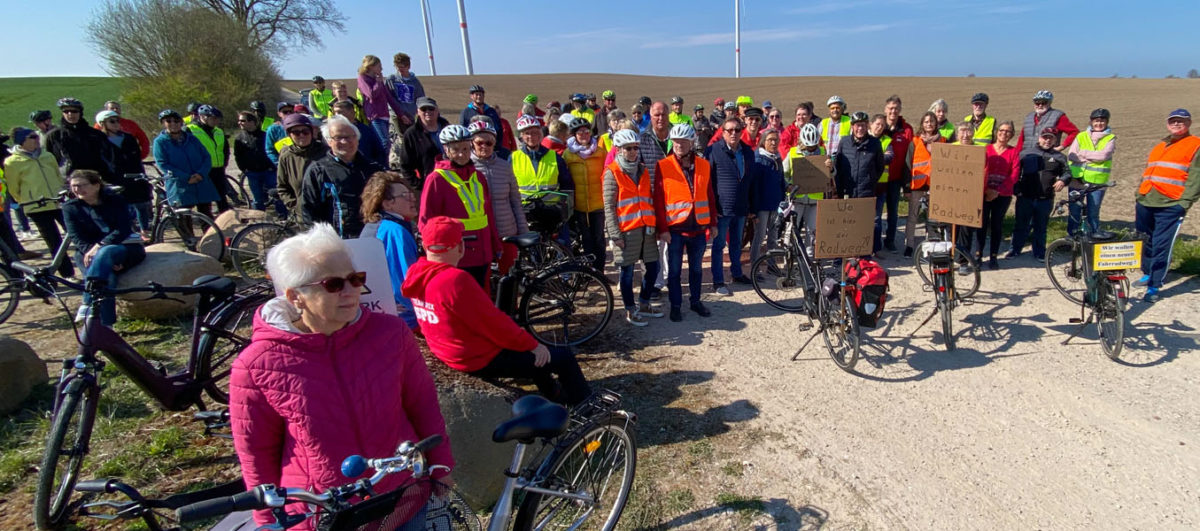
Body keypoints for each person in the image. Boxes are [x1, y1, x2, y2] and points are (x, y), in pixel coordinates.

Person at [232, 223, 453, 530]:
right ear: (295, 297)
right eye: (334, 284)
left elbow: (423, 404)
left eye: (354, 279)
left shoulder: (391, 333)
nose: (351, 291)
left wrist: (440, 466)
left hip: (403, 497)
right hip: (323, 512)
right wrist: (268, 520)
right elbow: (256, 452)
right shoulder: (257, 364)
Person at [402, 216, 593, 405]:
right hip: (476, 358)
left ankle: (556, 397)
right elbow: (494, 323)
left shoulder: (417, 273)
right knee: (562, 357)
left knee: (535, 359)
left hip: (449, 350)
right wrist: (532, 344)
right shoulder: (454, 280)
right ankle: (586, 408)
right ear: (459, 246)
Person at [419, 125, 501, 288]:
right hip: (457, 253)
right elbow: (427, 220)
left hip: (483, 250)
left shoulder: (478, 177)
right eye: (456, 150)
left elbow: (488, 214)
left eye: (465, 148)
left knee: (482, 297)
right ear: (446, 150)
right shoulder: (436, 179)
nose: (462, 154)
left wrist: (495, 243)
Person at [61, 170, 145, 324]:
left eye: (81, 185)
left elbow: (123, 229)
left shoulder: (116, 201)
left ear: (96, 185)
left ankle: (86, 302)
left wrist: (100, 246)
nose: (76, 189)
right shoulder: (70, 208)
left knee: (106, 251)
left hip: (123, 247)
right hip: (87, 253)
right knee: (107, 278)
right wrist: (91, 251)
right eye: (73, 186)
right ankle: (107, 326)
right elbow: (76, 237)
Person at [1134, 108, 1200, 303]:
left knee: (1163, 244)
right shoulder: (1161, 145)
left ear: (1188, 123)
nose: (1177, 124)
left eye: (1181, 121)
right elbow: (1149, 171)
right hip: (1146, 200)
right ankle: (1147, 273)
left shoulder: (1195, 145)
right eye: (1173, 121)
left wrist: (1184, 203)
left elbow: (1196, 177)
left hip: (1171, 204)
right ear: (1168, 123)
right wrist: (1138, 194)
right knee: (1145, 240)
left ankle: (1154, 285)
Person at [603, 129, 666, 326]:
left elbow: (648, 199)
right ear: (619, 150)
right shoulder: (612, 173)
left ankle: (644, 304)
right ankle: (630, 310)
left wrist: (654, 224)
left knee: (653, 268)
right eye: (628, 148)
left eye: (635, 148)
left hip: (646, 230)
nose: (632, 152)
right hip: (626, 232)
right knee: (627, 273)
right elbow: (609, 207)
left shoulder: (643, 170)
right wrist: (614, 234)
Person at [657, 124, 715, 321]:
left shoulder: (704, 165)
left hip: (698, 228)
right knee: (674, 271)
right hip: (675, 230)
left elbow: (710, 196)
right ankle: (675, 305)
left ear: (691, 142)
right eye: (676, 141)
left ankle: (696, 301)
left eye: (683, 141)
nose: (679, 145)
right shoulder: (663, 166)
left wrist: (713, 223)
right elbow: (658, 200)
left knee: (696, 269)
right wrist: (662, 229)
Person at [5, 127, 74, 277]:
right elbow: (13, 188)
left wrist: (60, 192)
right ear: (22, 141)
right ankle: (68, 274)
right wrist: (27, 200)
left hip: (58, 202)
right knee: (54, 241)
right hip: (36, 207)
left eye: (36, 136)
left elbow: (57, 176)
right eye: (32, 137)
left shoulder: (47, 155)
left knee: (75, 235)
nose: (37, 139)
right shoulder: (11, 162)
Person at [301, 115, 381, 238]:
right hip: (337, 241)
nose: (345, 142)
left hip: (372, 238)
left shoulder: (373, 168)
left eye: (350, 137)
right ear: (329, 141)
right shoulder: (318, 171)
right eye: (338, 137)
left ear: (357, 139)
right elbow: (309, 211)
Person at [359, 171, 420, 329]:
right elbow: (405, 279)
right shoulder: (394, 231)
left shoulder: (373, 226)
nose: (413, 198)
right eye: (405, 195)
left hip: (377, 313)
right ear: (387, 204)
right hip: (403, 319)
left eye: (411, 193)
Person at [706, 118, 759, 293]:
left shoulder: (748, 152)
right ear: (723, 132)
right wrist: (712, 208)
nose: (733, 133)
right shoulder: (713, 151)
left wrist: (752, 207)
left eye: (737, 130)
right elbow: (708, 183)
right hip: (722, 208)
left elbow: (751, 181)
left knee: (737, 243)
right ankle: (718, 280)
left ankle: (736, 273)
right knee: (719, 244)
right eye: (729, 130)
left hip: (741, 207)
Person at [469, 120, 527, 274]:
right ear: (472, 143)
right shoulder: (467, 168)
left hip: (506, 230)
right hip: (480, 233)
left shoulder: (505, 166)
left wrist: (523, 229)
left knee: (510, 276)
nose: (484, 147)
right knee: (483, 277)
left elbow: (515, 200)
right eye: (479, 142)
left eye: (489, 143)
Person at [1007, 128, 1070, 261]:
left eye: (1051, 138)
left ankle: (1040, 252)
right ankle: (1014, 250)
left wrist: (1062, 180)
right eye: (1045, 137)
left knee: (1041, 227)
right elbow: (1015, 171)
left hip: (1045, 198)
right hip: (1025, 196)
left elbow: (1068, 172)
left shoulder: (1059, 157)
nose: (1047, 140)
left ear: (1055, 140)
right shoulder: (1025, 154)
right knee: (1020, 225)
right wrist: (1015, 187)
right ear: (1039, 138)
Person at [831, 111, 885, 253]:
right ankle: (844, 253)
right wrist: (839, 190)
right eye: (857, 126)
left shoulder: (875, 143)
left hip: (866, 191)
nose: (859, 129)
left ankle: (864, 254)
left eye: (862, 125)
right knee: (846, 225)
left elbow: (880, 167)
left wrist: (870, 180)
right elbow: (838, 166)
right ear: (852, 126)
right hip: (848, 191)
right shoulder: (844, 142)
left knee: (864, 225)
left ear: (867, 126)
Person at [152, 109, 219, 220]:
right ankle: (189, 238)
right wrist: (186, 177)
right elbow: (163, 164)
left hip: (200, 181)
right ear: (163, 124)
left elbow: (206, 157)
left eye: (176, 121)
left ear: (181, 122)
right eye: (169, 121)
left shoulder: (192, 138)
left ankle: (211, 237)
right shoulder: (160, 142)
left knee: (206, 214)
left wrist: (200, 174)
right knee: (184, 217)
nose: (173, 124)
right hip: (180, 184)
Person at [96, 110, 153, 238]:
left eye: (117, 120)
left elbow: (137, 158)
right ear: (103, 124)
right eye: (112, 121)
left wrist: (142, 176)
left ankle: (144, 231)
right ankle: (128, 231)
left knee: (141, 205)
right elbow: (102, 162)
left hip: (135, 176)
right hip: (116, 179)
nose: (116, 124)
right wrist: (109, 179)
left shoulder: (128, 138)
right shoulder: (100, 141)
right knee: (123, 207)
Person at [563, 116, 607, 272]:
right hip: (580, 205)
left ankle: (600, 271)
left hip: (598, 204)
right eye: (579, 132)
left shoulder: (601, 153)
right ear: (574, 134)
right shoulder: (568, 155)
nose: (583, 135)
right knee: (586, 240)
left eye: (586, 131)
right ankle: (589, 272)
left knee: (600, 240)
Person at [1063, 108, 1116, 238]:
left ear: (1107, 122)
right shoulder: (1081, 136)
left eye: (1102, 121)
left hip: (1097, 181)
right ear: (1091, 122)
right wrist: (1092, 157)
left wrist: (1084, 154)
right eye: (1096, 121)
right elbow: (1072, 155)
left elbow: (1103, 156)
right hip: (1077, 179)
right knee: (1074, 211)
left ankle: (1093, 234)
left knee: (1093, 211)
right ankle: (1073, 236)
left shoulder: (1110, 138)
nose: (1099, 123)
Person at [977, 120, 1020, 269]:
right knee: (981, 224)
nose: (1004, 133)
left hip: (1002, 195)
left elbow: (1014, 175)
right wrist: (987, 190)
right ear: (997, 132)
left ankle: (994, 256)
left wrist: (997, 191)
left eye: (1008, 131)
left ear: (1012, 134)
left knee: (996, 225)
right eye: (1002, 130)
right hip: (984, 193)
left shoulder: (1014, 152)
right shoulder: (986, 149)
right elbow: (979, 171)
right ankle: (978, 254)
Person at [781, 123, 829, 252]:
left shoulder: (823, 153)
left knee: (812, 230)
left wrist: (831, 167)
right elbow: (783, 173)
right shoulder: (792, 153)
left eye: (813, 146)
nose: (811, 149)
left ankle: (809, 257)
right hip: (797, 199)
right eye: (809, 146)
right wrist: (788, 185)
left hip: (814, 199)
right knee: (791, 228)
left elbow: (831, 175)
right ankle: (788, 255)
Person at [903, 111, 944, 257]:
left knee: (933, 217)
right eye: (926, 121)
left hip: (935, 186)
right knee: (912, 217)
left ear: (936, 123)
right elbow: (908, 165)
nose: (929, 124)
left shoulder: (943, 141)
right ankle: (909, 245)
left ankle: (932, 246)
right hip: (917, 185)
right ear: (922, 124)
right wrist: (906, 187)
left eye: (932, 121)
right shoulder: (914, 142)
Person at [276, 113, 329, 222]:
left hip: (328, 214)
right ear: (289, 135)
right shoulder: (286, 155)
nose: (301, 135)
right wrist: (294, 206)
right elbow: (282, 187)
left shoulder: (326, 151)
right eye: (296, 132)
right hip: (303, 216)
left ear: (311, 132)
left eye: (305, 131)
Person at [46, 98, 113, 182]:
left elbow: (109, 157)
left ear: (80, 113)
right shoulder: (54, 135)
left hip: (95, 179)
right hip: (68, 181)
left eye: (74, 111)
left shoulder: (96, 134)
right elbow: (50, 161)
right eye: (66, 111)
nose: (70, 114)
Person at [233, 111, 283, 217]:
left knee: (277, 196)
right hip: (252, 173)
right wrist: (244, 169)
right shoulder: (239, 139)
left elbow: (273, 151)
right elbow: (238, 156)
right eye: (239, 120)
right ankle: (260, 219)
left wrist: (272, 167)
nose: (240, 123)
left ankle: (283, 217)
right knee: (257, 199)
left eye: (243, 120)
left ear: (252, 122)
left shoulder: (265, 136)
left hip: (268, 172)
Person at [749, 128, 785, 267]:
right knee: (759, 237)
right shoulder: (757, 159)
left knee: (773, 237)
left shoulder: (777, 157)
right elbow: (754, 186)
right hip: (762, 207)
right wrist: (754, 209)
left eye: (776, 140)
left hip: (776, 204)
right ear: (763, 142)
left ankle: (772, 266)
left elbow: (781, 180)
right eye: (770, 140)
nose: (774, 143)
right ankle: (755, 267)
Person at [880, 95, 912, 251]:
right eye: (890, 108)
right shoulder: (879, 127)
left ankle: (890, 240)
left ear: (900, 110)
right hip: (878, 179)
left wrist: (907, 184)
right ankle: (874, 241)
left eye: (896, 108)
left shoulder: (906, 130)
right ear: (885, 109)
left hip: (896, 178)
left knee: (893, 212)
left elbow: (910, 157)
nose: (893, 111)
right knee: (876, 212)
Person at [398, 96, 449, 190]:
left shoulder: (448, 128)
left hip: (452, 181)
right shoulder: (411, 134)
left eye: (431, 108)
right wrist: (419, 185)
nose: (428, 112)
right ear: (417, 112)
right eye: (423, 109)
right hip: (430, 185)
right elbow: (405, 166)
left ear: (437, 110)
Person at [187, 105, 232, 212]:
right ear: (203, 117)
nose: (217, 121)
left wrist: (224, 164)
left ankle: (227, 225)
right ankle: (207, 227)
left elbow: (225, 150)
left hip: (218, 170)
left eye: (218, 119)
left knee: (222, 200)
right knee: (204, 203)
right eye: (214, 118)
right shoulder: (190, 130)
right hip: (202, 171)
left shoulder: (218, 131)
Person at [358, 55, 406, 153]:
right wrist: (378, 83)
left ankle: (385, 163)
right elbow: (371, 94)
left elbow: (388, 97)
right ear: (371, 66)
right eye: (379, 66)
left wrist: (400, 114)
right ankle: (384, 165)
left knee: (386, 142)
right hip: (375, 115)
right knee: (384, 142)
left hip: (385, 115)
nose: (381, 68)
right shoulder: (363, 78)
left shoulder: (378, 79)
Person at [1016, 90, 1079, 157]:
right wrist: (1017, 154)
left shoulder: (1058, 116)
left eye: (1044, 102)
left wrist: (1061, 147)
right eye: (1037, 103)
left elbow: (1074, 132)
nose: (1040, 105)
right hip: (1026, 156)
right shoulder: (1029, 118)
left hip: (1047, 157)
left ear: (1049, 103)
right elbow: (1022, 139)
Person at [868, 114, 896, 253]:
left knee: (877, 218)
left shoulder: (886, 141)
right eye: (877, 124)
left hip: (880, 186)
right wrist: (879, 157)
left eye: (882, 125)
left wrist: (872, 157)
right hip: (865, 185)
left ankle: (876, 249)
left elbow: (890, 157)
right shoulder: (863, 138)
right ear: (871, 124)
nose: (879, 127)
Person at [331, 100, 385, 168]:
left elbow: (379, 152)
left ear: (352, 113)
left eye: (339, 112)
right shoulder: (332, 133)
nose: (336, 115)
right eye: (335, 113)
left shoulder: (365, 131)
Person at [384, 52, 423, 127]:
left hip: (411, 115)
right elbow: (389, 98)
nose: (400, 69)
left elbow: (420, 99)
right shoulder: (391, 80)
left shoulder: (415, 82)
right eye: (398, 67)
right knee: (403, 137)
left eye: (402, 67)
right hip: (396, 115)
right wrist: (400, 114)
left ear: (408, 66)